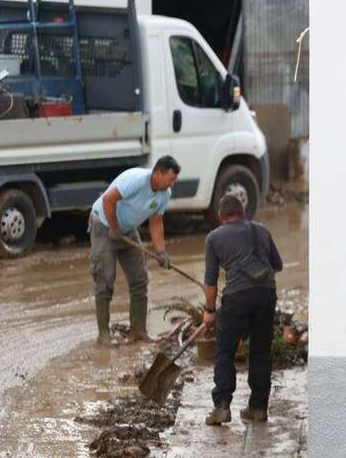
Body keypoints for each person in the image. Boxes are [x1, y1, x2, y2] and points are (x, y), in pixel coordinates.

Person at [202, 195, 283, 425]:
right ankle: (258, 408)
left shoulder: (214, 237)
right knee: (260, 351)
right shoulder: (262, 231)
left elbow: (210, 281)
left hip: (236, 297)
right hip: (266, 294)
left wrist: (210, 310)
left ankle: (222, 407)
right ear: (243, 213)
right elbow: (277, 265)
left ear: (220, 216)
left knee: (225, 351)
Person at [88, 156, 180, 345]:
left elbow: (156, 222)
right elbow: (108, 199)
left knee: (139, 279)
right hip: (104, 224)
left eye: (174, 179)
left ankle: (138, 331)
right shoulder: (136, 180)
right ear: (158, 174)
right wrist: (114, 227)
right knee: (105, 279)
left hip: (128, 229)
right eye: (171, 178)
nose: (173, 183)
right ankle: (104, 335)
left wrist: (161, 251)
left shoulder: (165, 193)